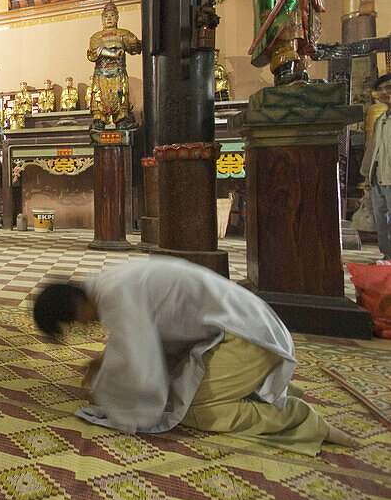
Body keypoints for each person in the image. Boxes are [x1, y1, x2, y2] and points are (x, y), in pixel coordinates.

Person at [32, 256, 356, 456]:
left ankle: (301, 421)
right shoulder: (108, 284)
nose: (84, 328)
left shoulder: (115, 296)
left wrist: (113, 399)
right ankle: (256, 390)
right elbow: (141, 339)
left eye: (75, 324)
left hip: (248, 341)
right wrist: (106, 361)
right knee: (180, 384)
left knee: (187, 409)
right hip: (243, 331)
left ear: (76, 308)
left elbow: (142, 369)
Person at [87, 0, 141, 130]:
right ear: (102, 19)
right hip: (101, 73)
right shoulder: (96, 36)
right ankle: (99, 120)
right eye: (106, 16)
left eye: (112, 16)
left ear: (117, 17)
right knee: (99, 97)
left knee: (121, 96)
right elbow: (95, 52)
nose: (109, 19)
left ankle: (121, 119)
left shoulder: (123, 33)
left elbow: (135, 48)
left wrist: (134, 42)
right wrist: (112, 53)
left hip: (118, 72)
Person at [361, 73, 391, 259]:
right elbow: (374, 148)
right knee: (382, 222)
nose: (384, 92)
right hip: (379, 176)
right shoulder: (381, 119)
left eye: (388, 88)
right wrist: (367, 174)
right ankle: (387, 258)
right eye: (380, 89)